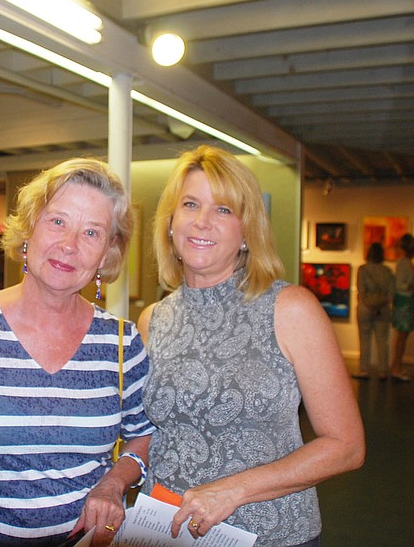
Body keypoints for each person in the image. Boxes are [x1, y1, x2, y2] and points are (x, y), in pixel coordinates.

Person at [137, 146, 365, 546]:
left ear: (247, 232)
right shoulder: (154, 319)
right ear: (171, 223)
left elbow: (345, 447)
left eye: (224, 210)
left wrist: (233, 490)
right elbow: (149, 432)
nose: (202, 222)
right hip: (165, 528)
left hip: (268, 533)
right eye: (190, 204)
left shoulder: (290, 308)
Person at [0, 158, 154, 546]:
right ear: (29, 227)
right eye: (57, 221)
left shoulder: (121, 344)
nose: (69, 245)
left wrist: (113, 484)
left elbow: (142, 436)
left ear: (107, 254)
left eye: (91, 232)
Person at [353, 242, 395, 381]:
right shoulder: (387, 271)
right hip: (382, 308)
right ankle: (383, 370)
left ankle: (364, 370)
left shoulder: (363, 270)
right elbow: (391, 293)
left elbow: (361, 290)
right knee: (383, 340)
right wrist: (379, 305)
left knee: (364, 339)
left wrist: (369, 304)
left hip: (365, 308)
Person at [390, 234, 414, 381]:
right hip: (405, 302)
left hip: (405, 301)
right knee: (402, 337)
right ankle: (396, 367)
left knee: (402, 337)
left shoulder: (404, 262)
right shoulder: (404, 263)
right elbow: (400, 284)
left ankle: (396, 366)